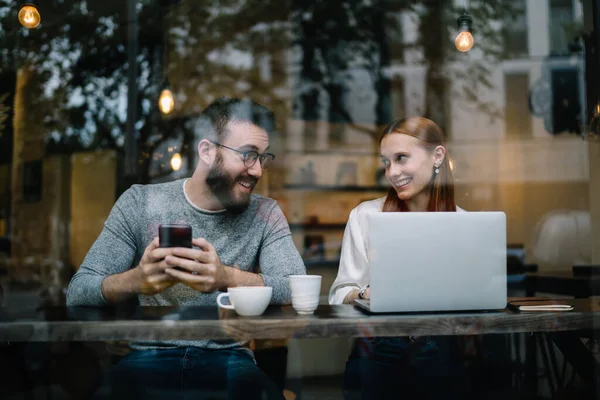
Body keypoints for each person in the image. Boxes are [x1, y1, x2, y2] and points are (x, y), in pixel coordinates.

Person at [67, 97, 306, 400]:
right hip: (147, 357)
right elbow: (79, 289)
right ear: (207, 151)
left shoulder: (265, 213)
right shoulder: (140, 203)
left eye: (262, 157)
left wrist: (226, 277)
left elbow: (294, 285)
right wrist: (136, 280)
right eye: (247, 155)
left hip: (230, 360)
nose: (257, 170)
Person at [329, 117, 468, 400]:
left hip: (441, 348)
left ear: (437, 156)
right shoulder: (366, 216)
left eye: (402, 158)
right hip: (378, 350)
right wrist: (365, 293)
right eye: (386, 161)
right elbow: (339, 292)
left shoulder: (464, 223)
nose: (392, 172)